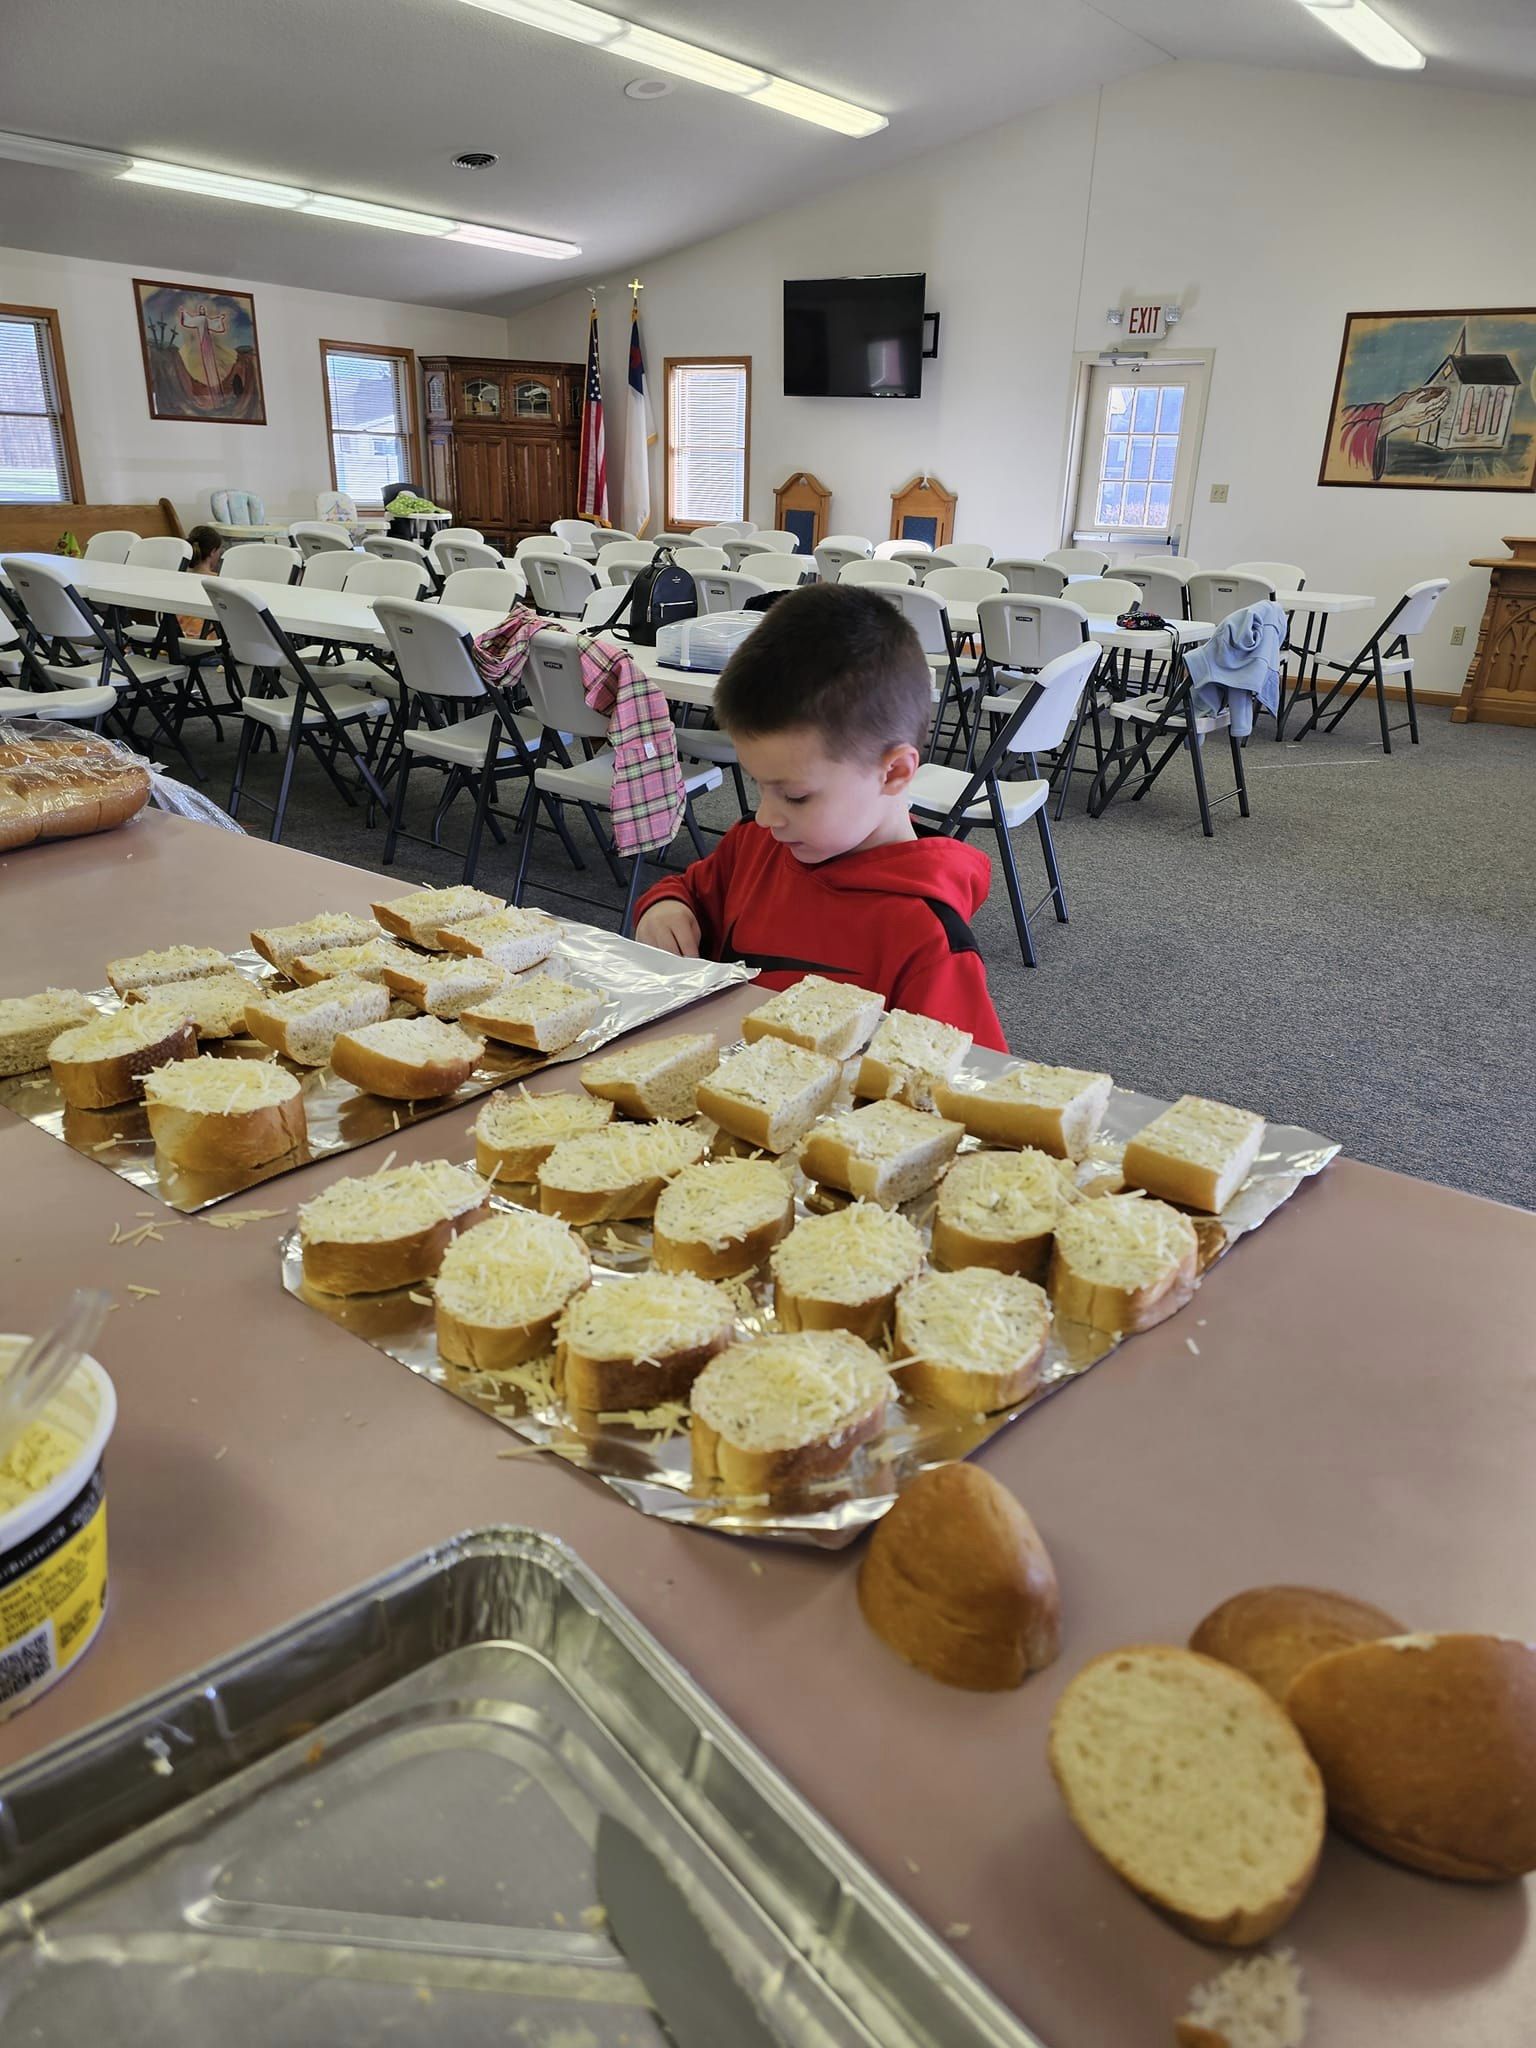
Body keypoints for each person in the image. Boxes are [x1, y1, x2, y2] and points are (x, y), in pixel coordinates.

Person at [634, 584, 1007, 1049]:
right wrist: (666, 907)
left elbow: (969, 1079)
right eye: (759, 785)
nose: (766, 816)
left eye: (795, 796)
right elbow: (688, 889)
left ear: (893, 773)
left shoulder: (927, 941)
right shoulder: (754, 846)